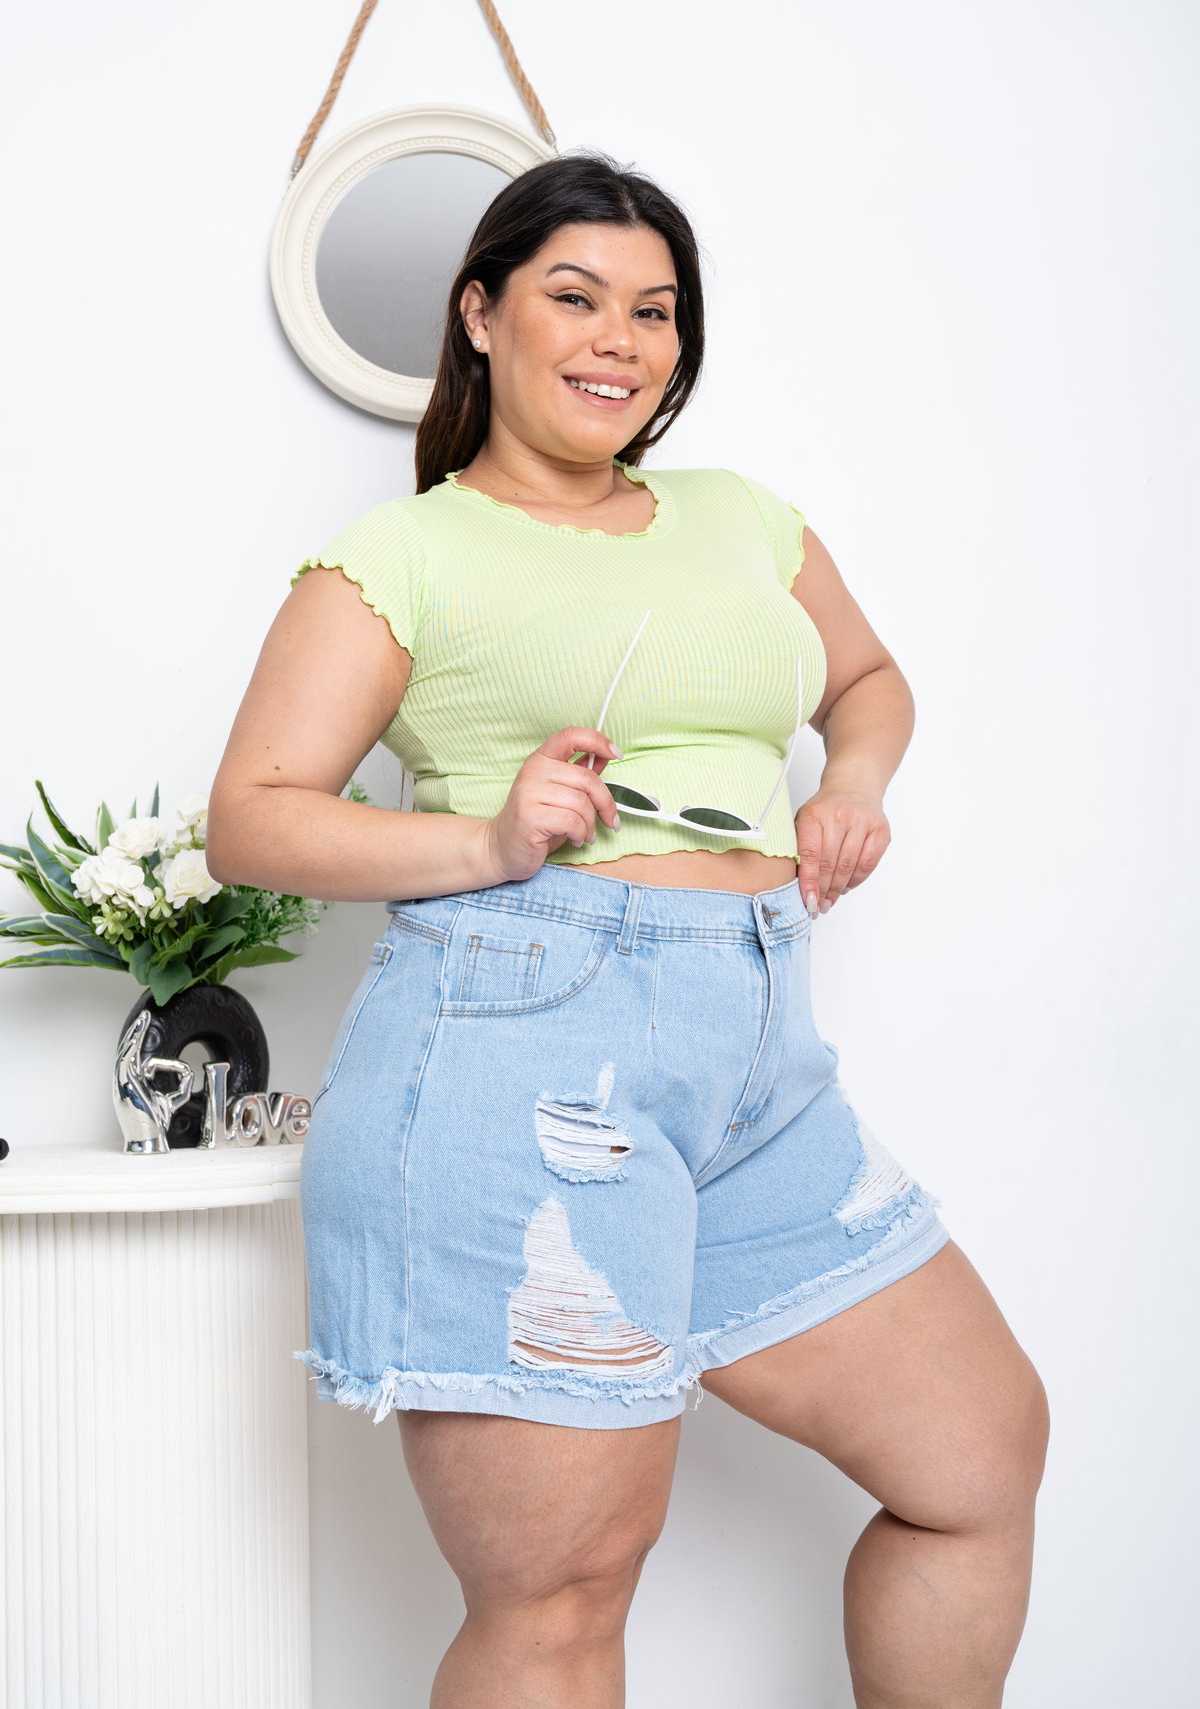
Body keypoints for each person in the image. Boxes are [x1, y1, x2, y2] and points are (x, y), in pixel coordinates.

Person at [207, 152, 1049, 1709]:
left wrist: (850, 788)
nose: (622, 340)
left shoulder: (744, 519)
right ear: (480, 315)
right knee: (564, 1591)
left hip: (759, 1066)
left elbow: (869, 683)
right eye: (576, 297)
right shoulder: (406, 554)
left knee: (976, 1459)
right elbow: (252, 818)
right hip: (513, 1058)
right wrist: (486, 837)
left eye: (655, 311)